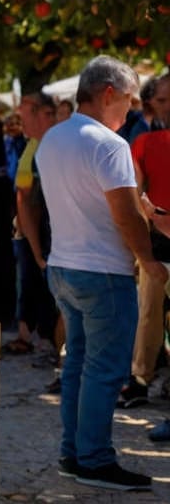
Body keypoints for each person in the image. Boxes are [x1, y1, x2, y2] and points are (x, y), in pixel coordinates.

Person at [37, 55, 165, 491]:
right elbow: (125, 215)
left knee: (77, 366)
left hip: (65, 266)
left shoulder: (53, 138)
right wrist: (149, 260)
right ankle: (92, 459)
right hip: (103, 272)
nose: (131, 111)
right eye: (128, 101)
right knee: (105, 370)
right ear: (108, 93)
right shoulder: (109, 143)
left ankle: (74, 454)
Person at [121, 73, 170, 408]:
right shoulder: (143, 144)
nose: (165, 106)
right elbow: (135, 196)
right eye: (162, 100)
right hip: (157, 236)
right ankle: (140, 379)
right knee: (149, 314)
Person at [6, 93, 60, 367]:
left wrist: (39, 250)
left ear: (44, 114)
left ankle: (57, 350)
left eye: (25, 114)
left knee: (53, 297)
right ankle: (45, 344)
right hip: (32, 235)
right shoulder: (33, 145)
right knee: (36, 290)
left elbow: (32, 201)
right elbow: (23, 198)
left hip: (47, 235)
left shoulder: (50, 147)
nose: (20, 120)